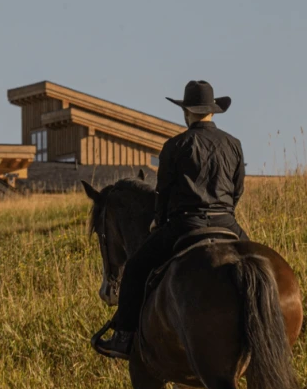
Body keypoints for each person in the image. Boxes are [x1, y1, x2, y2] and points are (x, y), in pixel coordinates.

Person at [94, 80, 248, 360]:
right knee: (255, 265)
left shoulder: (175, 145)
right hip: (227, 224)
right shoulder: (234, 144)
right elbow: (237, 191)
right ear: (213, 111)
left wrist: (158, 221)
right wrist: (224, 214)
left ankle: (123, 338)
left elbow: (163, 194)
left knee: (137, 267)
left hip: (185, 226)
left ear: (186, 112)